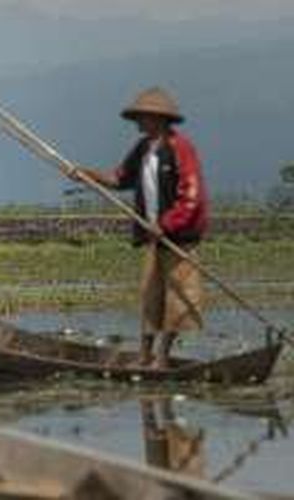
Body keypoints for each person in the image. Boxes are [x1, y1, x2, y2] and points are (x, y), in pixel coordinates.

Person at [71, 87, 209, 369]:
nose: (138, 123)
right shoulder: (143, 149)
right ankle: (145, 355)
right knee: (150, 295)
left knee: (177, 298)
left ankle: (162, 358)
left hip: (178, 238)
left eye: (142, 117)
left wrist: (167, 224)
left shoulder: (180, 148)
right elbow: (119, 178)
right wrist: (87, 175)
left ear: (158, 119)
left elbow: (191, 197)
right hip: (153, 235)